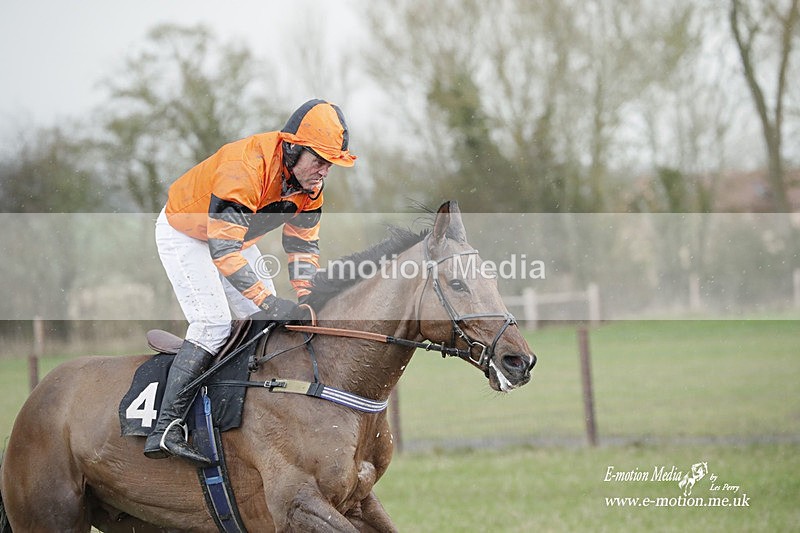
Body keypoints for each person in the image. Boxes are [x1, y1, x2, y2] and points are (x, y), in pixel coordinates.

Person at [144, 99, 356, 466]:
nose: (324, 171)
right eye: (319, 160)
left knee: (263, 327)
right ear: (292, 148)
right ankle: (166, 426)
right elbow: (223, 251)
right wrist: (268, 301)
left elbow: (302, 244)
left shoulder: (309, 185)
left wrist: (306, 297)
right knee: (214, 324)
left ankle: (240, 412)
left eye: (331, 163)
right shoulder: (245, 168)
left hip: (236, 239)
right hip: (187, 232)